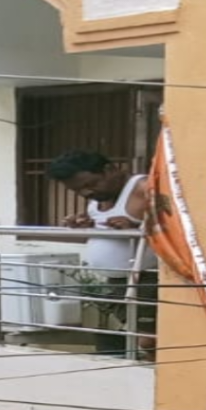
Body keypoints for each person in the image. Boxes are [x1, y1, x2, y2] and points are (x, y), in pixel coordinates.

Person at [46, 150, 158, 359]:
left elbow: (175, 226)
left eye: (91, 184)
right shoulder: (98, 199)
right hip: (116, 281)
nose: (87, 192)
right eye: (78, 190)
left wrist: (139, 226)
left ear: (110, 170)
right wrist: (83, 225)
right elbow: (103, 233)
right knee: (139, 335)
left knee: (149, 339)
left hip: (146, 278)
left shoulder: (142, 187)